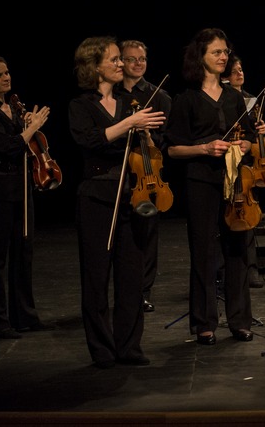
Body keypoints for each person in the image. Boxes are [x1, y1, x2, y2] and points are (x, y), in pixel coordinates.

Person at [69, 36, 166, 368]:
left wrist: (146, 134)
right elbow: (91, 141)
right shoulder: (81, 106)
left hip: (131, 195)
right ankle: (102, 349)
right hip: (96, 197)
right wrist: (128, 125)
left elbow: (144, 146)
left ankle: (129, 346)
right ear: (95, 66)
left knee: (131, 276)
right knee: (96, 277)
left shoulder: (130, 101)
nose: (121, 65)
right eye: (114, 60)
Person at [165, 28, 256, 345]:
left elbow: (249, 137)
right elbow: (173, 149)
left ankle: (240, 320)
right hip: (201, 181)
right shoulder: (186, 99)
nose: (223, 57)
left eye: (225, 51)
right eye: (216, 52)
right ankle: (204, 323)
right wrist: (204, 149)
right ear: (200, 57)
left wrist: (244, 144)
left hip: (234, 182)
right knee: (203, 252)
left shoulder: (235, 97)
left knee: (237, 250)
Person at [0, 54, 54, 339]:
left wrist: (27, 124)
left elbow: (28, 146)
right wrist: (30, 128)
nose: (6, 78)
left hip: (22, 186)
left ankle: (25, 316)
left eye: (7, 73)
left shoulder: (13, 109)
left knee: (24, 252)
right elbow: (5, 147)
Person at [119, 40, 172, 313]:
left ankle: (143, 291)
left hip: (146, 177)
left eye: (142, 59)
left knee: (147, 235)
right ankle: (123, 290)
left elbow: (165, 140)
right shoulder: (112, 94)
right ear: (120, 62)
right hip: (117, 177)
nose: (138, 64)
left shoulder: (159, 97)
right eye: (131, 59)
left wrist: (149, 138)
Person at [222, 54, 265, 289]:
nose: (240, 74)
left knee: (248, 216)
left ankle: (251, 269)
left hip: (247, 162)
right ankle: (224, 269)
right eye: (235, 71)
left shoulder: (250, 99)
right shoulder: (223, 98)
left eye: (241, 69)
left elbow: (253, 132)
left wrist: (260, 128)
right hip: (228, 160)